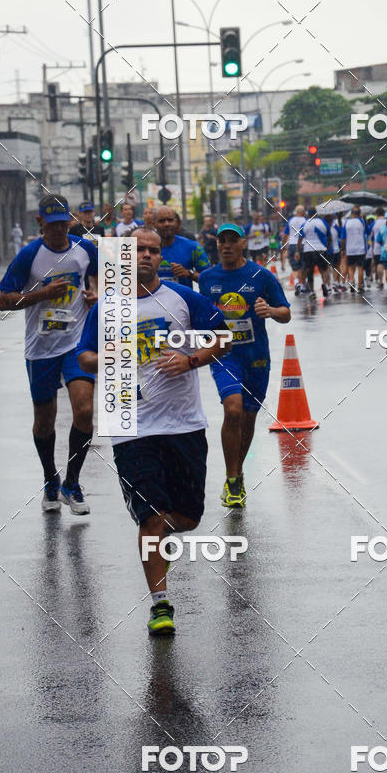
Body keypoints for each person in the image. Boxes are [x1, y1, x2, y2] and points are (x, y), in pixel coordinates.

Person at [77, 227, 230, 635]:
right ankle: (160, 603)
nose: (146, 255)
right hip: (130, 424)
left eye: (153, 250)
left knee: (188, 518)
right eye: (138, 250)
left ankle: (160, 532)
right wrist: (112, 353)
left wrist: (192, 360)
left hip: (183, 423)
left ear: (161, 256)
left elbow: (224, 337)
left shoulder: (184, 298)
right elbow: (85, 357)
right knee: (151, 517)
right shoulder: (105, 308)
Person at [0, 194, 97, 514]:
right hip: (40, 347)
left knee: (84, 411)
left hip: (76, 343)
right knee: (45, 421)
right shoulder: (30, 255)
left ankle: (73, 482)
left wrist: (96, 293)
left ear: (70, 221)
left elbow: (109, 278)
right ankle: (50, 480)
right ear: (40, 223)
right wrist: (42, 294)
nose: (58, 231)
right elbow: (3, 299)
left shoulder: (84, 249)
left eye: (63, 224)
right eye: (51, 225)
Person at [199, 223, 291, 509]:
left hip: (256, 357)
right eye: (221, 241)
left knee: (248, 418)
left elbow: (285, 313)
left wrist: (271, 311)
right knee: (233, 409)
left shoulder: (261, 275)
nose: (226, 246)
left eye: (232, 241)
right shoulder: (206, 278)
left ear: (243, 244)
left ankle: (236, 473)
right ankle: (232, 477)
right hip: (225, 355)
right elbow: (201, 315)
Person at [154, 205, 209, 288]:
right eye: (162, 221)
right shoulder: (144, 248)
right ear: (154, 224)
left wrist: (189, 273)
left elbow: (210, 279)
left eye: (170, 220)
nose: (166, 224)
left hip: (183, 300)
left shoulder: (193, 247)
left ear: (176, 222)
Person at [296, 207, 331, 299]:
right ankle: (324, 284)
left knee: (309, 271)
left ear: (308, 214)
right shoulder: (323, 223)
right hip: (321, 249)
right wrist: (327, 247)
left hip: (308, 250)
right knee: (324, 269)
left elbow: (300, 239)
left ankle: (312, 292)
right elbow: (329, 236)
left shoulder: (305, 224)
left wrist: (297, 251)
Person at [340, 206, 367, 292]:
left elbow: (343, 238)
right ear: (359, 214)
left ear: (351, 214)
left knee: (351, 268)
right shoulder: (362, 222)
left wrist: (343, 249)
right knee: (360, 268)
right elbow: (367, 232)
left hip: (350, 249)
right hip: (361, 249)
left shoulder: (347, 223)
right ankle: (360, 286)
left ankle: (352, 282)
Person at [283, 205, 307, 296]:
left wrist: (283, 245)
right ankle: (303, 285)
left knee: (294, 266)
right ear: (303, 212)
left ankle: (297, 282)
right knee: (303, 266)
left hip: (292, 245)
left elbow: (285, 235)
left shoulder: (290, 221)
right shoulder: (306, 221)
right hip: (304, 245)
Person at [325, 213, 344, 292]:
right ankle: (334, 282)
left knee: (328, 268)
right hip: (335, 250)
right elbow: (340, 235)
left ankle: (330, 284)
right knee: (336, 267)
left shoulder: (324, 227)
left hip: (329, 251)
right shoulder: (335, 226)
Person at [370, 208, 387, 289]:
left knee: (379, 264)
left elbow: (372, 237)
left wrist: (373, 249)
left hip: (377, 248)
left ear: (376, 214)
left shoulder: (374, 223)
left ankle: (381, 282)